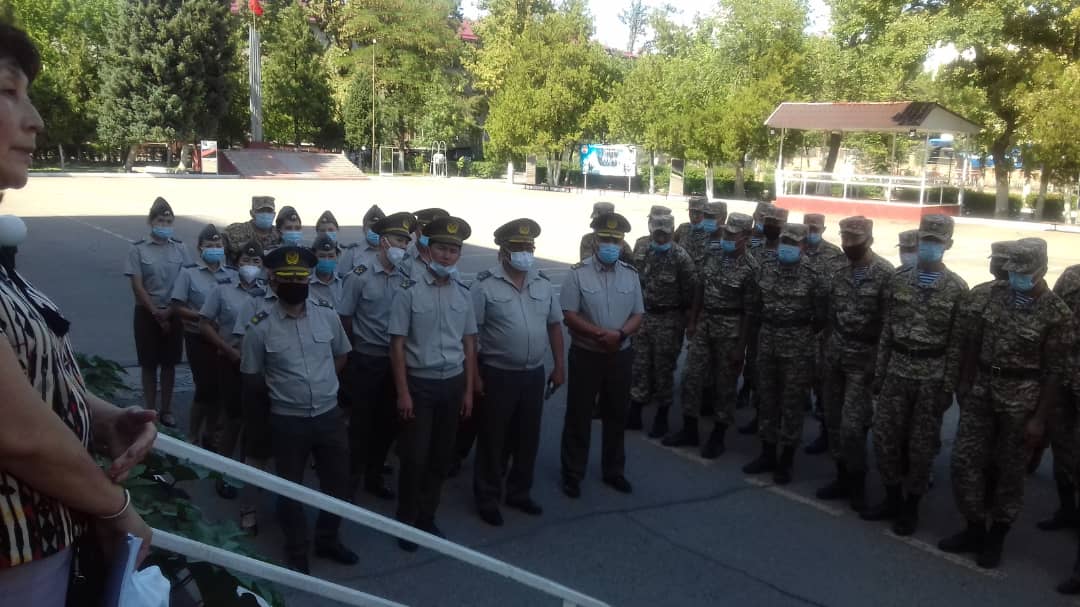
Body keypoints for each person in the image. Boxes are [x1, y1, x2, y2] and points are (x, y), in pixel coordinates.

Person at [0, 25, 156, 603]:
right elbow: (17, 434)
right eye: (8, 92)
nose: (36, 120)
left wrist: (98, 415)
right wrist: (116, 508)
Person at [939, 238, 1072, 568]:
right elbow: (974, 341)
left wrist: (1039, 419)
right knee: (964, 461)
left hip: (1022, 399)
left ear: (1041, 270)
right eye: (1012, 271)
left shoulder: (1057, 313)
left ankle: (996, 535)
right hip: (983, 388)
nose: (1015, 278)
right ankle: (973, 527)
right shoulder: (994, 295)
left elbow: (1056, 371)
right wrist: (965, 381)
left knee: (1009, 472)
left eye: (1023, 272)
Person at [239, 245, 357, 573]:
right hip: (287, 419)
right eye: (288, 279)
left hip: (328, 415)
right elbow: (252, 376)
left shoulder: (327, 314)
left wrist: (321, 384)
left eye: (301, 278)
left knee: (338, 483)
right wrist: (285, 394)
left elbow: (341, 354)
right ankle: (297, 548)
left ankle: (328, 539)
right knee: (290, 488)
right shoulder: (260, 325)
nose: (296, 284)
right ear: (274, 282)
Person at [863, 214, 968, 536]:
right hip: (896, 369)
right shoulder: (898, 279)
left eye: (936, 241)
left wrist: (947, 388)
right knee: (884, 438)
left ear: (948, 244)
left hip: (931, 377)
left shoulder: (957, 288)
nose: (928, 246)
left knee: (921, 448)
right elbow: (887, 331)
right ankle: (892, 497)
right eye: (925, 240)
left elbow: (956, 345)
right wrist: (879, 371)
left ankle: (911, 507)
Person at [389, 215, 478, 551]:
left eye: (453, 250)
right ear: (429, 249)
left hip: (452, 384)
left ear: (459, 254)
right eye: (441, 248)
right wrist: (403, 393)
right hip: (420, 385)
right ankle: (406, 521)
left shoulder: (464, 293)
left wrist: (468, 391)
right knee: (415, 458)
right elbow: (397, 345)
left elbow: (469, 343)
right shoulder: (409, 292)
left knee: (441, 457)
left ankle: (427, 517)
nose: (447, 255)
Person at [471, 218, 565, 526]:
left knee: (527, 437)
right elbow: (470, 335)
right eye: (518, 247)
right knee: (493, 438)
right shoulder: (484, 285)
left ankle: (518, 492)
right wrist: (474, 376)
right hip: (497, 373)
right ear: (503, 251)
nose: (525, 253)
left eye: (529, 247)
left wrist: (559, 366)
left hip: (533, 374)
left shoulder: (542, 283)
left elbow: (554, 325)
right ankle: (487, 496)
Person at [560, 212, 643, 498]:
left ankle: (614, 470)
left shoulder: (631, 274)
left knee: (617, 414)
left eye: (615, 240)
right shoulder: (577, 273)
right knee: (579, 415)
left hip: (620, 354)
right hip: (586, 354)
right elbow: (569, 314)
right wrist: (599, 334)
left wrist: (619, 335)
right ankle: (573, 473)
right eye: (606, 239)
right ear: (595, 241)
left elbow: (638, 314)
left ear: (622, 243)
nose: (610, 244)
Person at [815, 217, 894, 512]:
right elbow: (830, 316)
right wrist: (824, 353)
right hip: (835, 354)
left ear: (869, 240)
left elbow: (887, 325)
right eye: (845, 238)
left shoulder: (885, 273)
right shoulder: (837, 269)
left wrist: (879, 365)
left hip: (864, 360)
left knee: (853, 426)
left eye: (854, 239)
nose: (848, 244)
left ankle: (858, 482)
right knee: (833, 421)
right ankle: (842, 478)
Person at [338, 211, 416, 501]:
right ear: (384, 242)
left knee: (387, 424)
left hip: (395, 363)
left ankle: (374, 476)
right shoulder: (360, 276)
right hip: (366, 359)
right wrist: (354, 351)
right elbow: (345, 318)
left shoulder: (408, 277)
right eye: (398, 240)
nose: (403, 246)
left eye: (406, 242)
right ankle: (349, 483)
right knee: (360, 425)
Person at [742, 223, 827, 484]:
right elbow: (755, 307)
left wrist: (798, 332)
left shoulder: (815, 275)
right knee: (766, 398)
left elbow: (821, 317)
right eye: (784, 242)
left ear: (803, 246)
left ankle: (786, 459)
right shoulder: (765, 269)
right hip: (768, 341)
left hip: (798, 348)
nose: (787, 247)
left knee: (792, 404)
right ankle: (767, 453)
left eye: (793, 243)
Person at [669, 213, 758, 457]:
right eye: (726, 233)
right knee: (690, 376)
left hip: (730, 331)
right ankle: (689, 429)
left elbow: (750, 312)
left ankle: (718, 435)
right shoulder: (713, 254)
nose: (727, 237)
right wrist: (693, 320)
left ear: (746, 237)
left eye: (733, 235)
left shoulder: (752, 269)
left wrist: (741, 348)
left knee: (725, 385)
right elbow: (700, 287)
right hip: (705, 323)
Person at [199, 239, 267, 497]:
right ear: (237, 263)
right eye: (246, 260)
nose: (251, 265)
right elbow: (205, 323)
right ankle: (223, 473)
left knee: (254, 422)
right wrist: (228, 349)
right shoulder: (222, 288)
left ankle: (247, 474)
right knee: (233, 419)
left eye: (256, 261)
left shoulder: (266, 293)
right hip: (230, 360)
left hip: (257, 365)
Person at [125, 196, 191, 428]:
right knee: (149, 364)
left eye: (168, 222)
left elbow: (186, 282)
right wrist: (156, 313)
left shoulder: (180, 248)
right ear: (151, 222)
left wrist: (170, 312)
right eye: (160, 221)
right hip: (146, 312)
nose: (164, 225)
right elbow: (137, 286)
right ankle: (150, 410)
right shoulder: (137, 249)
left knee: (170, 364)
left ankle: (167, 409)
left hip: (174, 312)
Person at [627, 214, 695, 437]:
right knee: (640, 365)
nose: (661, 238)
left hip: (669, 319)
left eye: (665, 234)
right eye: (657, 233)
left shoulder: (681, 258)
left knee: (663, 368)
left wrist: (684, 321)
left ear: (672, 232)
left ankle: (662, 416)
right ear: (651, 231)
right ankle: (635, 412)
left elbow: (689, 292)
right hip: (644, 316)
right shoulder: (643, 251)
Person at [170, 223, 236, 446]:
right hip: (198, 338)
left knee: (220, 389)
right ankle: (192, 433)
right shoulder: (189, 273)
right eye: (210, 245)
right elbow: (177, 306)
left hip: (223, 339)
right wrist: (202, 316)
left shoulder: (232, 274)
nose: (215, 249)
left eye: (218, 245)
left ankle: (211, 432)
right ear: (200, 249)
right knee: (205, 388)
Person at [739, 204, 789, 435]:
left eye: (776, 223)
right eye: (768, 222)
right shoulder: (754, 251)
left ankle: (771, 418)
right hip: (754, 319)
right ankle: (758, 410)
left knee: (774, 375)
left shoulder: (788, 253)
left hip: (779, 325)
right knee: (755, 366)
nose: (771, 227)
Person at [1039, 260, 1080, 531]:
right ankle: (1066, 510)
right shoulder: (1072, 276)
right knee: (1061, 444)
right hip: (1063, 376)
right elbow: (1050, 314)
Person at [802, 213, 846, 456]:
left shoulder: (833, 254)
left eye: (815, 228)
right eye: (808, 227)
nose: (811, 231)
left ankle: (825, 432)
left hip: (823, 328)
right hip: (798, 325)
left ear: (823, 229)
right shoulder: (794, 247)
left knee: (823, 381)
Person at [339, 204, 385, 275]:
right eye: (371, 227)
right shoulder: (353, 251)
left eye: (379, 227)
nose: (375, 231)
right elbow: (342, 277)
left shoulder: (390, 252)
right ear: (364, 229)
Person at [309, 233, 343, 308]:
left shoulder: (344, 282)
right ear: (313, 257)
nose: (327, 260)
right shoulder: (306, 283)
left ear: (337, 257)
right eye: (322, 256)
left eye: (331, 256)